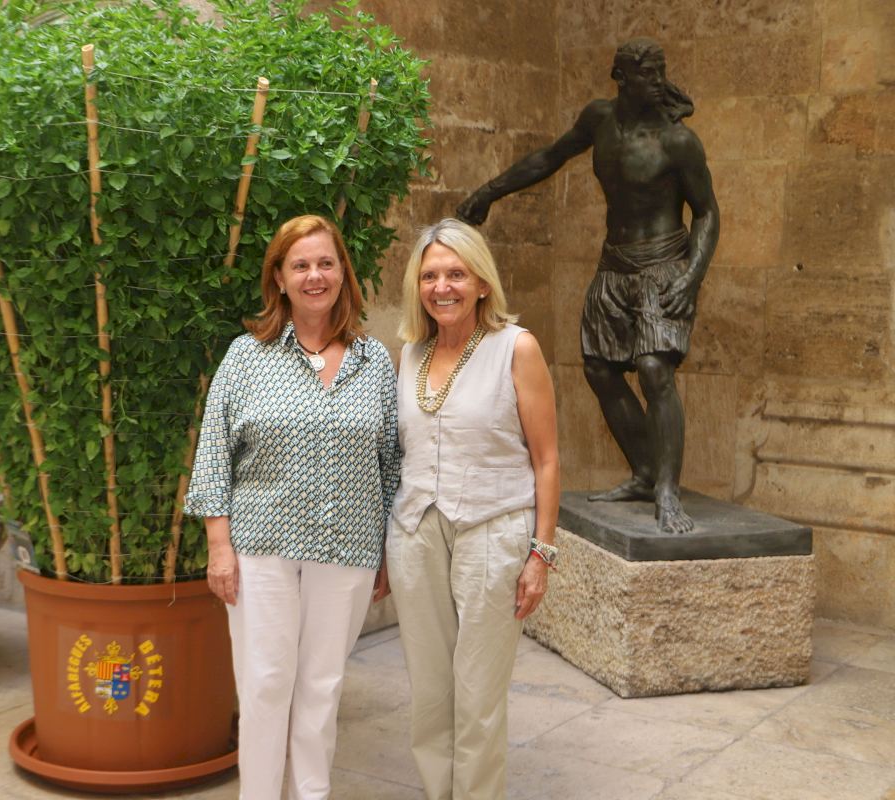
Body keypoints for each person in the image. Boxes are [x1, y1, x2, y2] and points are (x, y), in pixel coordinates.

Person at [456, 37, 718, 533]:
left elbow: (707, 212)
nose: (657, 82)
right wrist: (489, 193)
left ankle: (667, 490)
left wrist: (691, 276)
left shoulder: (678, 142)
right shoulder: (600, 119)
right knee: (600, 369)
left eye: (660, 72)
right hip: (615, 262)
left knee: (654, 368)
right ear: (620, 77)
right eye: (646, 74)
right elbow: (549, 157)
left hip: (664, 263)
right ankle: (645, 472)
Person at [185, 214, 400, 800]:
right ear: (278, 278)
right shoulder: (246, 357)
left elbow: (390, 463)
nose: (314, 276)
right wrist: (218, 547)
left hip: (347, 549)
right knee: (264, 685)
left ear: (343, 273)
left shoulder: (374, 362)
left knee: (322, 688)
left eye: (326, 263)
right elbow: (213, 454)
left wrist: (385, 551)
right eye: (300, 265)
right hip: (261, 551)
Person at [386, 218, 559, 800]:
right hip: (415, 534)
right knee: (429, 691)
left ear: (482, 282)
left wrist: (541, 553)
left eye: (456, 274)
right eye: (430, 275)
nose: (442, 287)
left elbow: (547, 459)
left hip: (493, 533)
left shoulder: (517, 348)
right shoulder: (410, 353)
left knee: (479, 694)